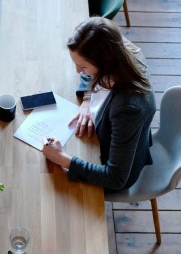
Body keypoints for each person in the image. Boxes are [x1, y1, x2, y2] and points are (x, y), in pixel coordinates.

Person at [42, 17, 156, 192]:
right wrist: (88, 99)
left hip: (114, 170)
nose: (78, 71)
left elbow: (116, 177)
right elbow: (90, 75)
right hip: (104, 137)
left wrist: (62, 158)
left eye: (82, 66)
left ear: (105, 63)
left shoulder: (128, 109)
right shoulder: (116, 48)